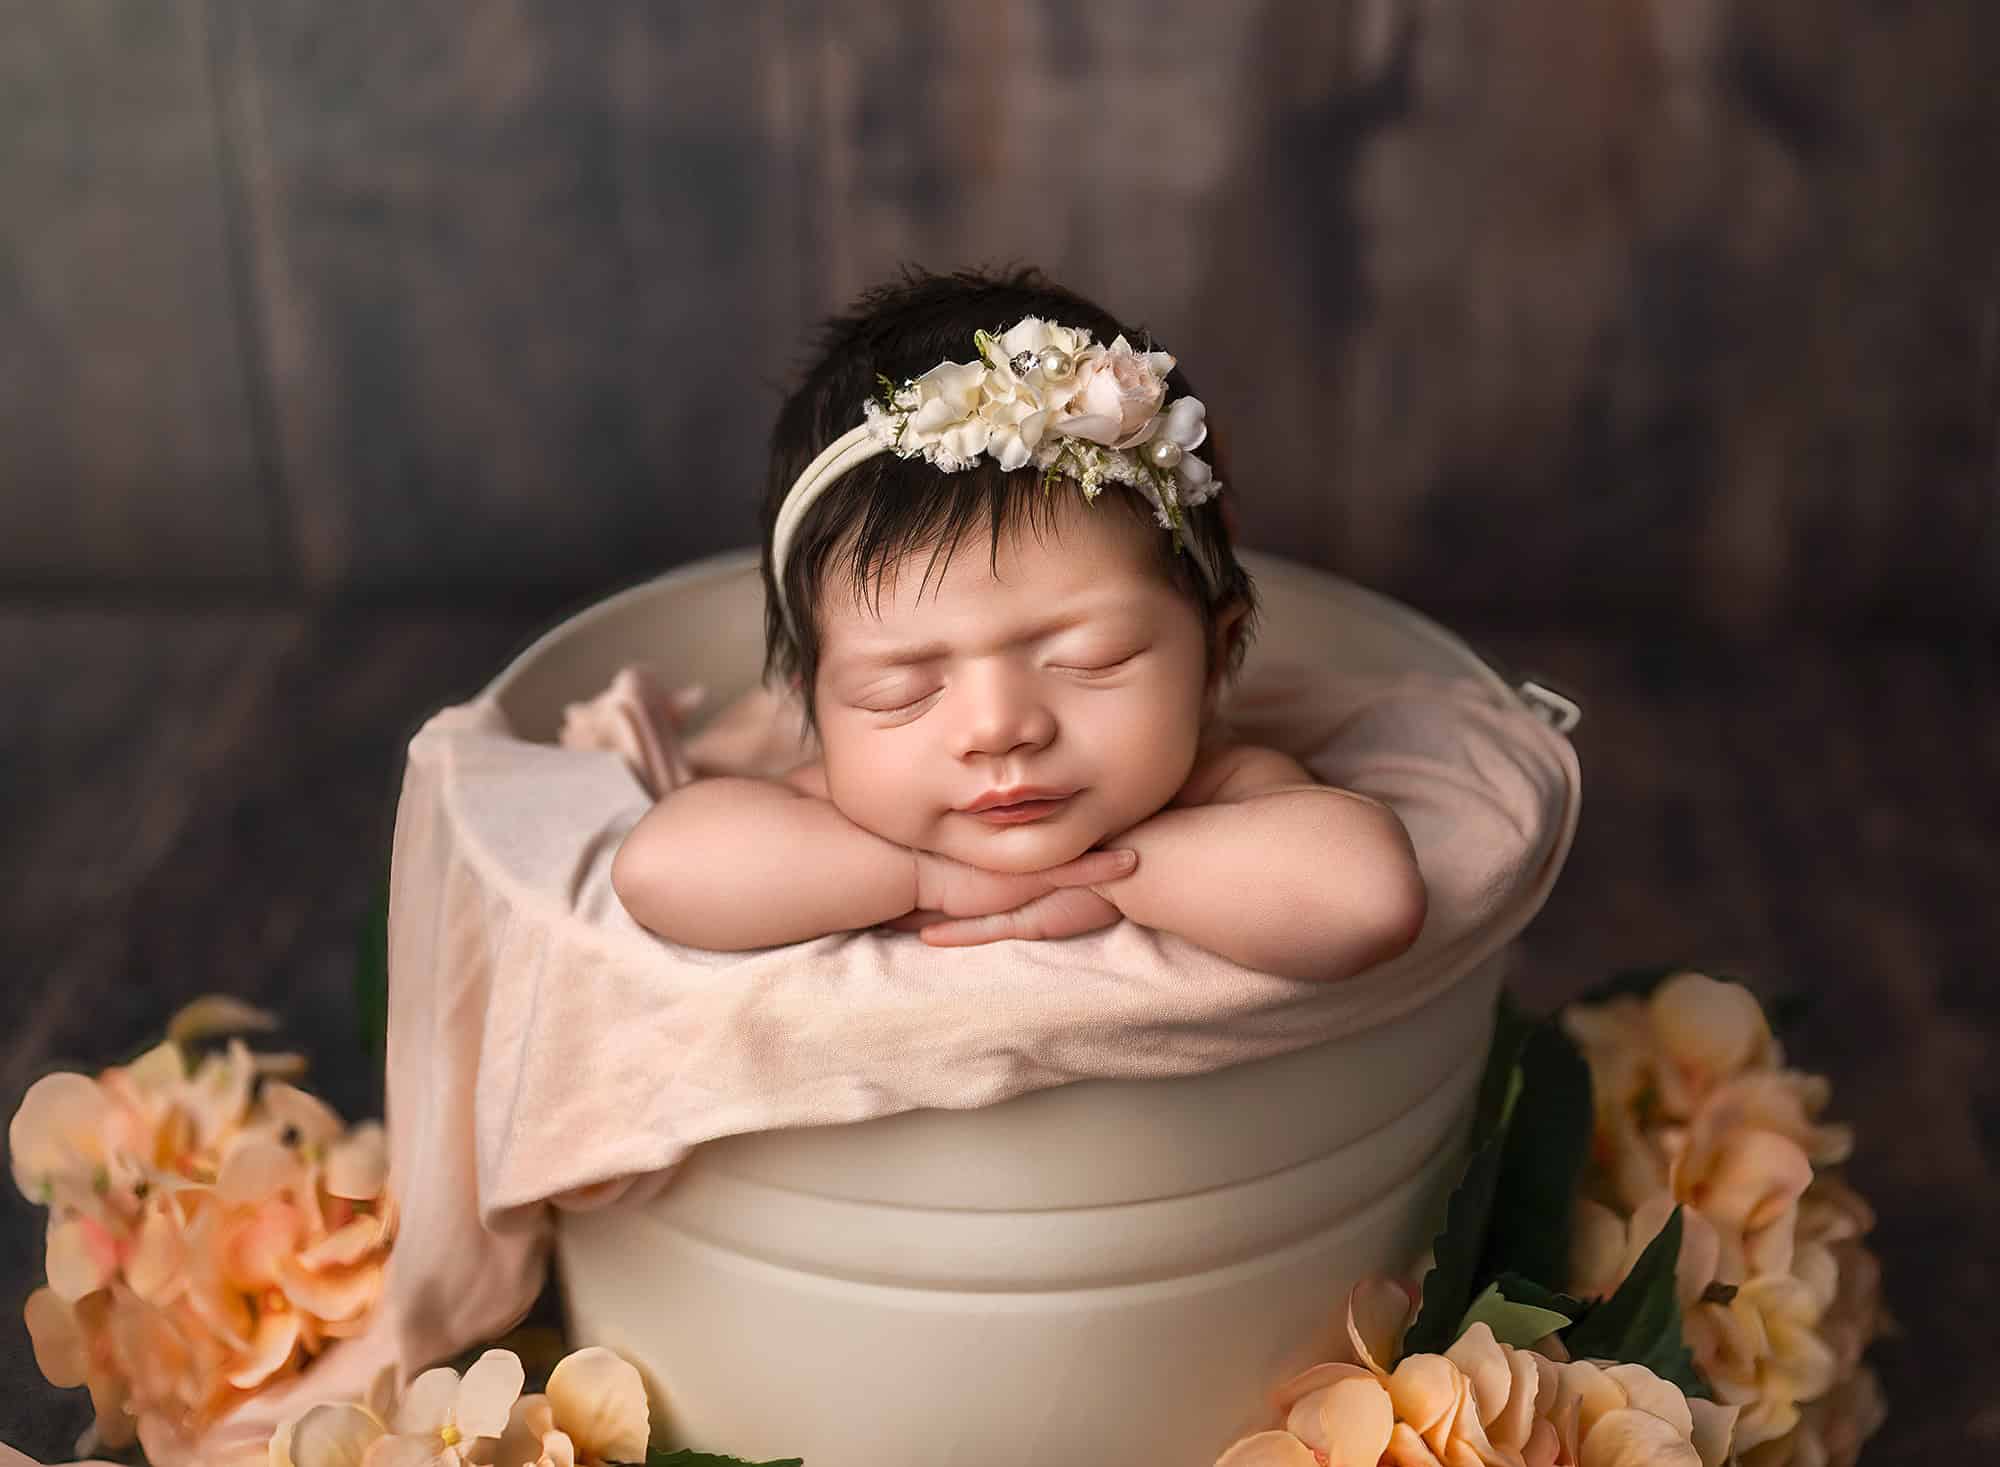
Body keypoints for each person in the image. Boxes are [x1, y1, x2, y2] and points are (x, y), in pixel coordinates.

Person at [611, 266, 1426, 981]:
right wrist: (932, 881)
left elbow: (1366, 897)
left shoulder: (1221, 788)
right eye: (899, 690)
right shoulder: (834, 807)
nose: (999, 728)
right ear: (812, 706)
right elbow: (660, 867)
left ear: (1215, 655)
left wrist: (1102, 876)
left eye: (1090, 657)